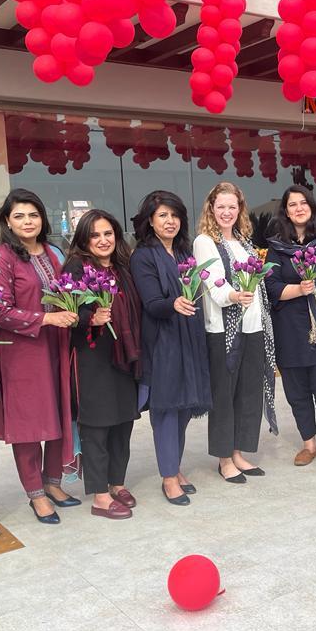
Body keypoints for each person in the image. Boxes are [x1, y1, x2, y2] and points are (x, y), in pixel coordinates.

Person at [0, 188, 79, 525]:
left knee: (57, 415)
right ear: (7, 221)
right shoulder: (1, 258)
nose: (27, 221)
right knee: (27, 425)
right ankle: (35, 493)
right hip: (22, 353)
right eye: (19, 215)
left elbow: (67, 294)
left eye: (33, 214)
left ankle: (53, 483)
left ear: (43, 218)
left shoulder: (52, 254)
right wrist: (47, 318)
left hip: (55, 346)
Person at [131, 190, 212, 506]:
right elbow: (151, 303)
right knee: (166, 410)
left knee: (182, 410)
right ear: (150, 220)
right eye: (163, 215)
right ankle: (168, 478)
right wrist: (172, 303)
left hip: (188, 338)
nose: (170, 221)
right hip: (162, 341)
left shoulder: (183, 254)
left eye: (175, 215)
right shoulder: (143, 256)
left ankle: (174, 469)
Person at [193, 181, 278, 483]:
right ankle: (224, 458)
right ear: (211, 210)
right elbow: (213, 282)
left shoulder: (244, 241)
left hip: (252, 326)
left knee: (248, 394)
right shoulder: (205, 241)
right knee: (225, 396)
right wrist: (233, 296)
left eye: (232, 206)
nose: (227, 212)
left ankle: (240, 452)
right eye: (221, 207)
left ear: (240, 209)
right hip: (224, 331)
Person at [265, 185, 316, 477]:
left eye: (303, 203)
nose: (298, 208)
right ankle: (309, 444)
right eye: (292, 204)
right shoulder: (276, 248)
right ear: (285, 211)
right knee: (297, 394)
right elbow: (270, 286)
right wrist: (298, 289)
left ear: (311, 207)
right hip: (290, 333)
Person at [63, 209, 141, 519]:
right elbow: (65, 311)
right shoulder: (75, 267)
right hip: (91, 357)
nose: (103, 240)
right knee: (97, 425)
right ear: (84, 238)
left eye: (108, 233)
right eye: (95, 235)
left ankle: (116, 483)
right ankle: (99, 496)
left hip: (124, 354)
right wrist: (90, 318)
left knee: (123, 422)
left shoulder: (124, 268)